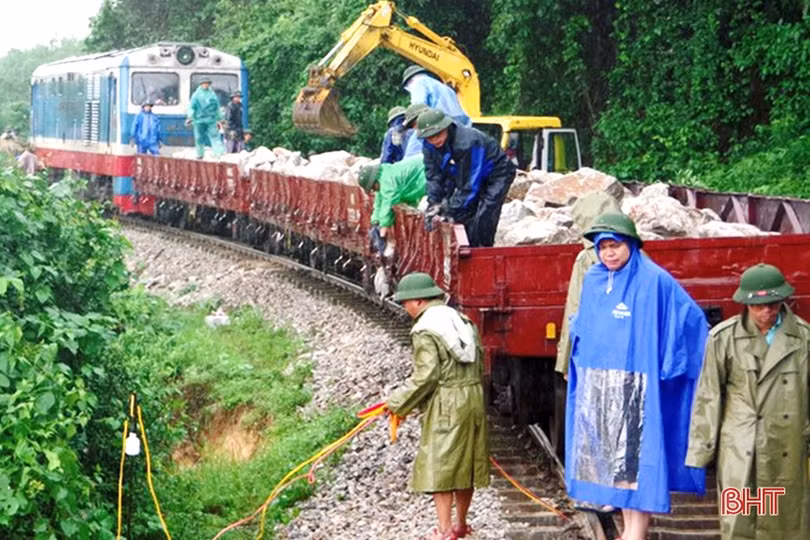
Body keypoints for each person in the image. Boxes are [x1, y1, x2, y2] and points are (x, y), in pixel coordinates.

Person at [565, 212, 708, 540]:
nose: (609, 253)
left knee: (637, 463)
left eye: (615, 246)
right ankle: (629, 528)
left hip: (638, 389)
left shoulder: (653, 279)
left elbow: (689, 318)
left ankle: (637, 532)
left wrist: (669, 365)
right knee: (617, 469)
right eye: (603, 247)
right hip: (603, 387)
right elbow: (584, 326)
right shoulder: (595, 280)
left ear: (631, 244)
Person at [686, 263, 810, 540]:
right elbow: (709, 395)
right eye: (759, 305)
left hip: (786, 447)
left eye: (773, 304)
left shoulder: (803, 339)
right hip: (741, 448)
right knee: (740, 521)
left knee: (783, 523)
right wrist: (702, 449)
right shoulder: (724, 338)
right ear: (746, 304)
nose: (767, 311)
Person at [386, 272, 489, 540]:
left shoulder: (425, 329)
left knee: (440, 465)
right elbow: (479, 363)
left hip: (448, 402)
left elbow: (427, 375)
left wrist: (397, 403)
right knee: (465, 464)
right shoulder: (462, 319)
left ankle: (444, 531)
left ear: (418, 301)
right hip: (473, 396)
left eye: (405, 302)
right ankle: (461, 525)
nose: (404, 308)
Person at [418, 108, 516, 247]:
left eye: (438, 134)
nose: (435, 139)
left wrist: (450, 211)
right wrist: (434, 205)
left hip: (497, 173)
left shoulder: (467, 142)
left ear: (446, 127)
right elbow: (434, 177)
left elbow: (469, 186)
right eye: (429, 136)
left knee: (485, 213)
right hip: (465, 171)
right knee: (463, 213)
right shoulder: (429, 147)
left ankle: (482, 252)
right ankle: (465, 245)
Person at [555, 193, 623, 378]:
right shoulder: (636, 254)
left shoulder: (587, 259)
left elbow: (576, 308)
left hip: (597, 353)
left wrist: (567, 360)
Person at [358, 155, 426, 254]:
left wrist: (382, 235)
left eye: (373, 188)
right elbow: (379, 202)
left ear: (374, 181)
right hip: (419, 177)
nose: (374, 190)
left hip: (425, 174)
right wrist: (375, 222)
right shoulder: (382, 177)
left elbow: (388, 204)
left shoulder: (387, 180)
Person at [402, 66, 471, 127]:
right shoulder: (445, 87)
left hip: (441, 123)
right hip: (463, 124)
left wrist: (405, 124)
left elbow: (418, 108)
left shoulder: (419, 84)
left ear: (410, 82)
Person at [186, 77, 224, 159]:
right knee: (199, 138)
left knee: (215, 136)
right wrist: (190, 116)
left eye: (207, 83)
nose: (206, 85)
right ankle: (200, 154)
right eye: (204, 83)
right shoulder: (196, 95)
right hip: (199, 120)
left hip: (211, 120)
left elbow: (217, 107)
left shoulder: (212, 95)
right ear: (201, 84)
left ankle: (219, 154)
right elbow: (192, 107)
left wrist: (220, 118)